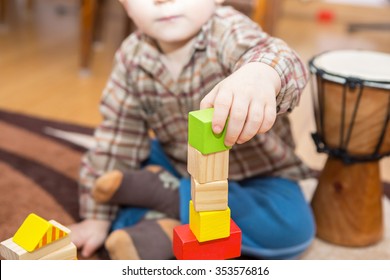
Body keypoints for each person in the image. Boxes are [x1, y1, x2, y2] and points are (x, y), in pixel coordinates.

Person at [69, 0, 315, 260]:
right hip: (180, 161)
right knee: (117, 171)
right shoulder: (131, 57)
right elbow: (117, 138)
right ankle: (169, 225)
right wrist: (96, 218)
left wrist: (261, 74)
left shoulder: (228, 30)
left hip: (260, 176)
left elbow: (280, 56)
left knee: (292, 230)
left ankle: (169, 200)